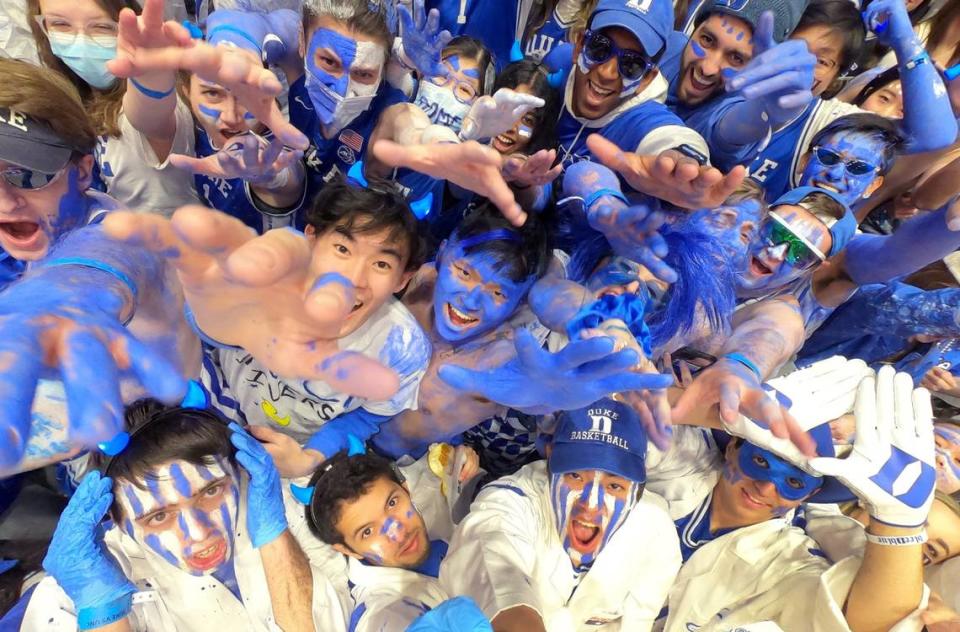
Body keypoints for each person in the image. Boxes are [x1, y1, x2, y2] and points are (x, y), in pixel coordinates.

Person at [18, 397, 348, 630]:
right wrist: (103, 613)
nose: (199, 533)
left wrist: (275, 535)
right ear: (117, 520)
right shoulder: (71, 596)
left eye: (210, 491)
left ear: (238, 473)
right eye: (159, 516)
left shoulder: (292, 507)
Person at [655, 361, 937, 631]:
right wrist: (709, 414)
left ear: (811, 493)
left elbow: (866, 625)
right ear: (732, 448)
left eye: (792, 482)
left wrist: (900, 525)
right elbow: (617, 405)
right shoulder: (684, 457)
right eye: (761, 463)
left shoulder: (785, 559)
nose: (765, 488)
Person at [200, 176, 432, 464]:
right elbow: (197, 320)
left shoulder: (401, 348)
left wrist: (307, 459)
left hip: (296, 449)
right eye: (342, 249)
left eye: (381, 264)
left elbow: (366, 417)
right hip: (213, 403)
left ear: (402, 279)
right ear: (311, 239)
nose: (354, 279)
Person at [440, 396, 681, 631]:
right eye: (575, 476)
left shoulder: (656, 533)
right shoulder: (514, 502)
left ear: (637, 489)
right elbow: (492, 555)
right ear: (550, 460)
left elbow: (638, 620)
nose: (591, 506)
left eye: (614, 486)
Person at [28, 0, 200, 216]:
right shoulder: (82, 94)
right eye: (60, 25)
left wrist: (150, 74)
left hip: (175, 244)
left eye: (101, 27)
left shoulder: (156, 99)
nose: (79, 43)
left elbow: (152, 116)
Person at [298, 445, 486, 631]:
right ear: (346, 550)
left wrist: (464, 471)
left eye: (392, 503)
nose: (397, 533)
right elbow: (383, 621)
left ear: (405, 488)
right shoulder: (377, 606)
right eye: (367, 531)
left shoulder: (432, 498)